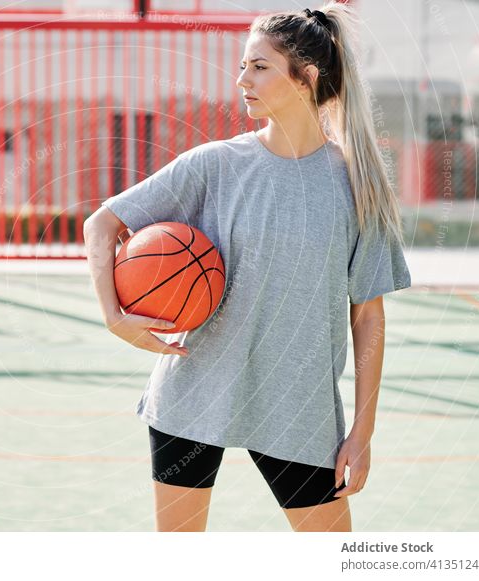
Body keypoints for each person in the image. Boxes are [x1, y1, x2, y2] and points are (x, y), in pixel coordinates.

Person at [83, 2, 411, 532]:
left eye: (258, 66)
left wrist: (362, 433)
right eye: (242, 65)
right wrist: (114, 316)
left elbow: (367, 318)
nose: (242, 80)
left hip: (296, 407)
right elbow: (101, 225)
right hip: (192, 395)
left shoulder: (357, 188)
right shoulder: (215, 165)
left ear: (305, 78)